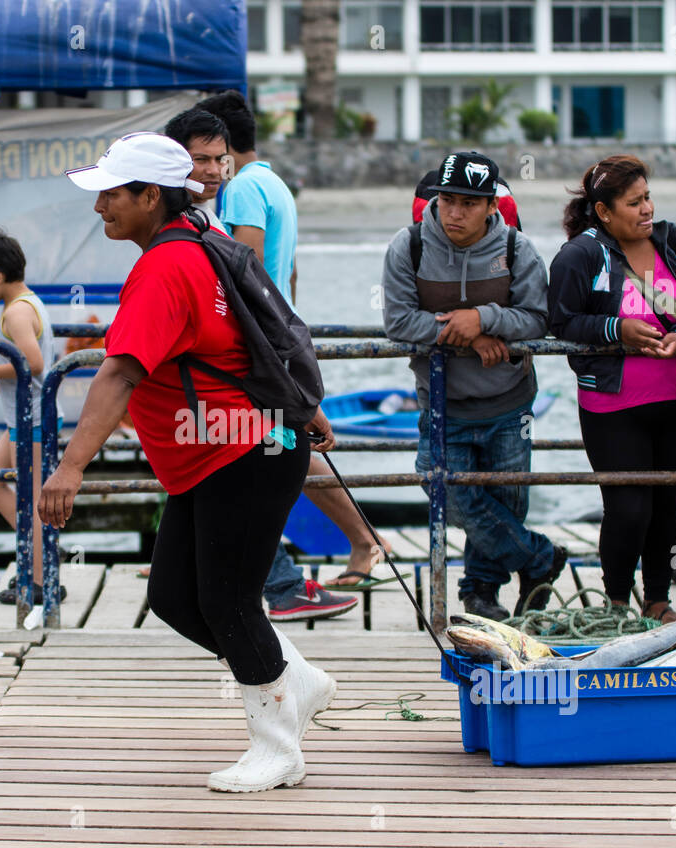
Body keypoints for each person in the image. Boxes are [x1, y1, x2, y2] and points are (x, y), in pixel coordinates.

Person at [41, 132, 337, 793]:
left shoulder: (168, 267)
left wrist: (71, 468)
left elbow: (117, 374)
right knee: (176, 596)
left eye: (112, 195)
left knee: (228, 601)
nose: (101, 209)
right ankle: (296, 678)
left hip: (246, 451)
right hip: (225, 453)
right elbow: (251, 337)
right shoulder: (199, 245)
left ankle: (278, 745)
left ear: (152, 196)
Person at [166, 106, 389, 596]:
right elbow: (285, 274)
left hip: (253, 346)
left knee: (273, 450)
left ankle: (299, 570)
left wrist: (260, 344)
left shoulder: (242, 189)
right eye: (199, 158)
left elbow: (244, 271)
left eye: (213, 158)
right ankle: (214, 561)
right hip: (270, 335)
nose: (208, 169)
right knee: (273, 450)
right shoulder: (275, 185)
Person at [384, 150, 565, 620]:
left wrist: (484, 318)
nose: (455, 212)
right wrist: (466, 333)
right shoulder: (409, 247)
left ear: (491, 206)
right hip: (442, 403)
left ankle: (479, 592)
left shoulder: (517, 250)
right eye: (447, 200)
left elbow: (539, 320)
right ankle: (539, 557)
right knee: (441, 484)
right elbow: (398, 322)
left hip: (509, 402)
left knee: (505, 500)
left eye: (468, 202)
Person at [547, 155, 676, 624]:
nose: (646, 209)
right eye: (634, 203)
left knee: (667, 506)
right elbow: (560, 321)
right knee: (628, 509)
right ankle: (615, 604)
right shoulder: (581, 254)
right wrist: (617, 328)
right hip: (613, 404)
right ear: (604, 212)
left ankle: (657, 599)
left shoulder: (675, 242)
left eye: (648, 197)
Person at [0, 228, 59, 606]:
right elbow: (27, 366)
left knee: (33, 501)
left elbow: (32, 365)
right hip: (25, 417)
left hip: (32, 421)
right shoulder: (28, 303)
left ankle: (40, 578)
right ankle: (43, 553)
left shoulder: (16, 312)